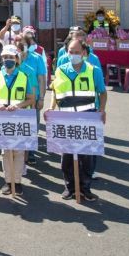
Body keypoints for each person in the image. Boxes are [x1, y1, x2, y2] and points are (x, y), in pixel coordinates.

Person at [49, 39, 107, 202]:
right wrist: (51, 107)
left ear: (84, 53)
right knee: (67, 157)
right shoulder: (60, 70)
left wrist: (102, 110)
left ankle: (85, 188)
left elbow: (102, 92)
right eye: (70, 52)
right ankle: (70, 187)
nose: (73, 55)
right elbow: (55, 92)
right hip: (66, 117)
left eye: (76, 52)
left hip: (87, 116)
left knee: (86, 156)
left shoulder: (93, 70)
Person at [0, 45, 35, 196]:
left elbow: (31, 99)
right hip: (2, 117)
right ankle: (8, 182)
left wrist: (18, 106)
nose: (8, 60)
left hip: (19, 118)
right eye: (5, 57)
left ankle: (18, 182)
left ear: (17, 59)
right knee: (6, 151)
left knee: (18, 151)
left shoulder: (24, 77)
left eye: (11, 57)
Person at [19, 35, 47, 166]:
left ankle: (30, 153)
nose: (20, 45)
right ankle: (19, 153)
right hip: (17, 100)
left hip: (33, 99)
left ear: (28, 45)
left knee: (32, 126)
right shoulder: (12, 58)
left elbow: (42, 79)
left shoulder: (36, 58)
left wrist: (41, 98)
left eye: (23, 43)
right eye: (17, 43)